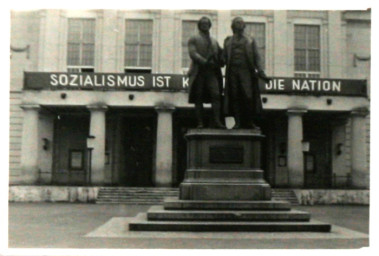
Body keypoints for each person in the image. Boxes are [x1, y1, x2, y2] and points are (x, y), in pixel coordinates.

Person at [223, 17, 271, 129]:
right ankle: (237, 122)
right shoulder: (228, 41)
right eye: (236, 23)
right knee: (235, 97)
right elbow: (223, 57)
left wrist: (261, 72)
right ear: (233, 26)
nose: (239, 25)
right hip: (232, 72)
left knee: (248, 96)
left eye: (241, 23)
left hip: (246, 72)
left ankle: (249, 121)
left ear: (244, 26)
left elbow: (257, 57)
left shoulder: (250, 40)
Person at [187, 16, 225, 129]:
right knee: (199, 97)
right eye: (203, 23)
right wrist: (204, 61)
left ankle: (217, 121)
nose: (205, 25)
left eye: (207, 23)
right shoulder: (193, 38)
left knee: (216, 95)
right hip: (199, 72)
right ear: (199, 25)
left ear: (209, 25)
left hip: (212, 72)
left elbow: (220, 53)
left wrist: (222, 60)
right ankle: (200, 122)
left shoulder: (214, 41)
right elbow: (193, 53)